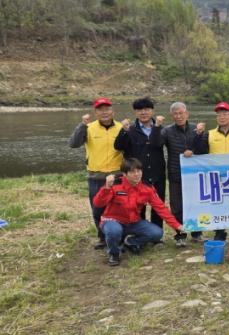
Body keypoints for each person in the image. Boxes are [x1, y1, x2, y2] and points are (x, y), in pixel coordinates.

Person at [94, 158, 184, 266]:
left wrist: (177, 226)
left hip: (133, 222)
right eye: (132, 172)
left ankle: (130, 242)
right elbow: (98, 203)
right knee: (114, 231)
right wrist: (107, 187)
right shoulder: (115, 184)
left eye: (139, 171)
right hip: (112, 220)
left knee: (157, 233)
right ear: (124, 174)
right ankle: (114, 253)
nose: (136, 174)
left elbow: (161, 208)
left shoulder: (147, 188)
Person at [68, 97, 124, 249]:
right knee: (97, 208)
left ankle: (119, 237)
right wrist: (81, 125)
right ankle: (102, 237)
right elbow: (73, 144)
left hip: (117, 176)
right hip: (96, 176)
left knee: (119, 208)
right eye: (100, 109)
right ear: (95, 112)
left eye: (107, 109)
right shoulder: (88, 127)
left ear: (113, 111)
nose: (104, 112)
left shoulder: (121, 127)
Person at [192, 101, 229, 242]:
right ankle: (219, 232)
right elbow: (200, 152)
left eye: (225, 114)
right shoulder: (209, 134)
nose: (222, 117)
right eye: (219, 115)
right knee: (218, 204)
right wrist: (198, 135)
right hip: (216, 177)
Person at [114, 97, 166, 228]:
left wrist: (157, 128)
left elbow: (158, 143)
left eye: (147, 109)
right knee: (137, 206)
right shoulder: (129, 129)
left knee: (158, 206)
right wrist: (123, 130)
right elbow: (118, 146)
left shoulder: (161, 128)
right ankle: (140, 233)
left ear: (152, 111)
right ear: (135, 112)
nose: (143, 112)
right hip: (137, 176)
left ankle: (157, 234)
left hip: (157, 174)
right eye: (139, 110)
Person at [160, 102, 201, 246]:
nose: (178, 116)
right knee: (176, 206)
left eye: (181, 113)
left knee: (195, 203)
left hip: (194, 174)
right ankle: (180, 234)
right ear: (172, 116)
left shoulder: (196, 129)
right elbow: (156, 144)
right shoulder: (167, 131)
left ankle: (196, 233)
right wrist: (157, 127)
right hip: (175, 173)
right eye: (175, 114)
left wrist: (194, 149)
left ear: (187, 114)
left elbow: (203, 148)